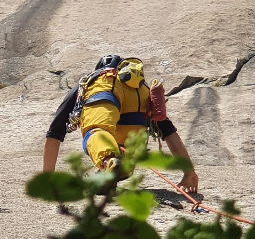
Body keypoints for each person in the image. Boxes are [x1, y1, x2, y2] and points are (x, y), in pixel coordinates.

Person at [42, 53, 199, 193]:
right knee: (121, 165)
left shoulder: (93, 81)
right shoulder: (142, 88)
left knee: (95, 131)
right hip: (138, 100)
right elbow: (168, 131)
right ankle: (115, 167)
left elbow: (55, 133)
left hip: (106, 90)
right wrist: (189, 173)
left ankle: (107, 160)